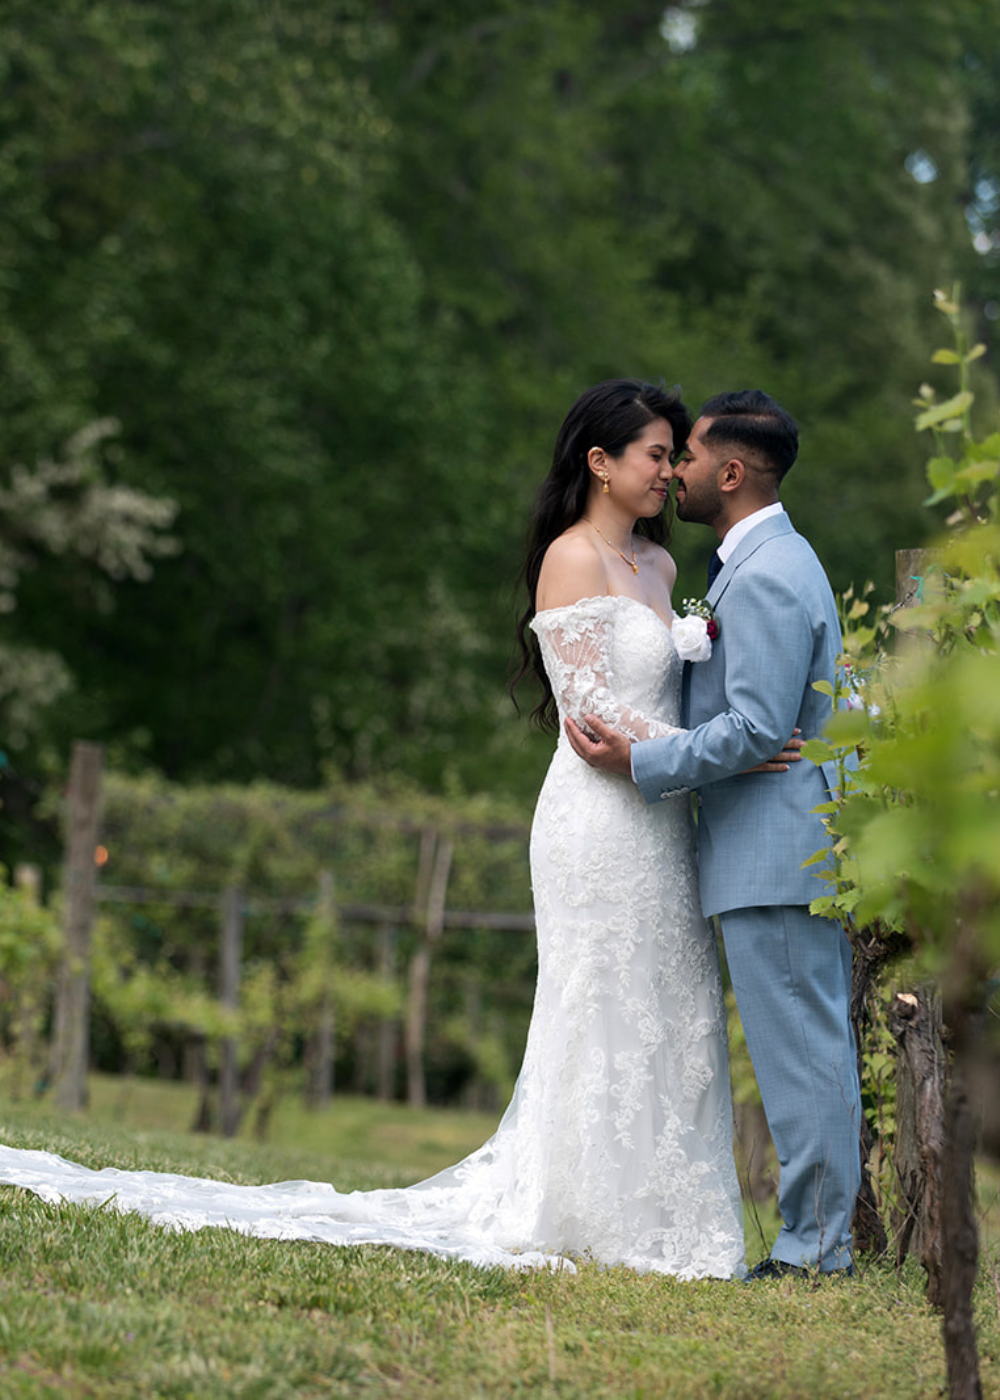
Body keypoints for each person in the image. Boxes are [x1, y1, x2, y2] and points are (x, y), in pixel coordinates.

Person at [0, 379, 764, 1279]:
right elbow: (588, 712)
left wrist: (710, 748)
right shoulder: (571, 557)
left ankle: (670, 1217)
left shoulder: (666, 570)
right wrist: (725, 749)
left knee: (670, 1001)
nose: (671, 471)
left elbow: (664, 698)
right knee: (596, 1001)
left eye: (677, 454)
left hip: (663, 820)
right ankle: (584, 1208)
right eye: (656, 453)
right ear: (600, 461)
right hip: (598, 820)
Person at [566, 389, 862, 1279]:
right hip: (768, 847)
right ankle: (820, 1242)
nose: (677, 472)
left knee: (803, 1058)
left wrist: (640, 763)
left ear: (730, 472)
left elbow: (760, 728)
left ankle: (815, 1253)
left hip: (773, 853)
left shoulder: (768, 571)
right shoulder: (768, 559)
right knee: (805, 1052)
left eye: (687, 456)